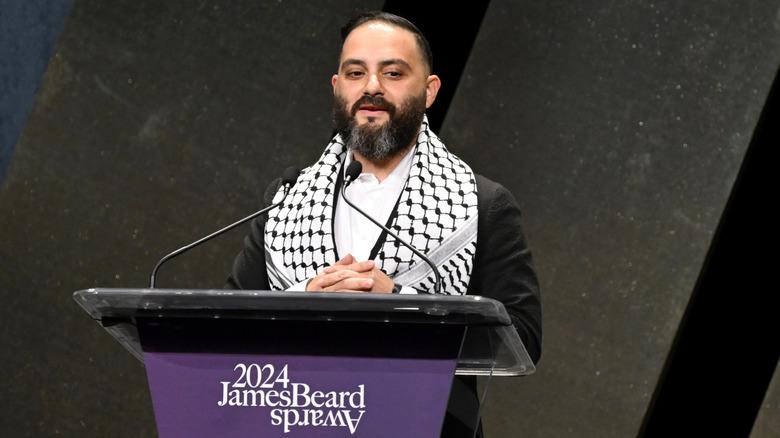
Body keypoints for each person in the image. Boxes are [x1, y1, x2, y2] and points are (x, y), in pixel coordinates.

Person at [226, 11, 542, 437]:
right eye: (356, 72)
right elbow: (226, 325)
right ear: (338, 88)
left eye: (393, 72)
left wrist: (402, 304)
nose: (371, 87)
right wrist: (302, 300)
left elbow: (522, 340)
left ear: (430, 91)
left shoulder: (484, 204)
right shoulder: (285, 199)